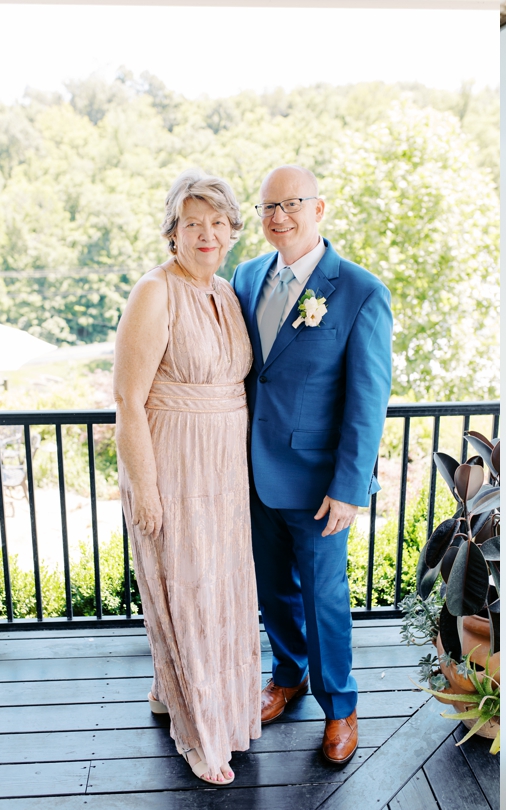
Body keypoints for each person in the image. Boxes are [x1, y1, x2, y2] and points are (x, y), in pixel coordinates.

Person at [231, 165, 392, 764]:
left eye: (291, 204)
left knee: (325, 600)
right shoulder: (244, 277)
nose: (278, 217)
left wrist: (350, 486)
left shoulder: (359, 291)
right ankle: (288, 674)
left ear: (319, 208)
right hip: (252, 476)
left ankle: (341, 708)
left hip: (321, 485)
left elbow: (367, 401)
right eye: (267, 207)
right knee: (272, 590)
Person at [115, 169, 260, 786]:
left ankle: (172, 690)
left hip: (224, 471)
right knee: (187, 591)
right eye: (193, 223)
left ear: (231, 232)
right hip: (172, 465)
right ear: (172, 232)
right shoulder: (155, 292)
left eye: (218, 223)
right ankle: (200, 735)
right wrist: (144, 488)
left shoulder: (227, 292)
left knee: (216, 592)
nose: (207, 234)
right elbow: (126, 400)